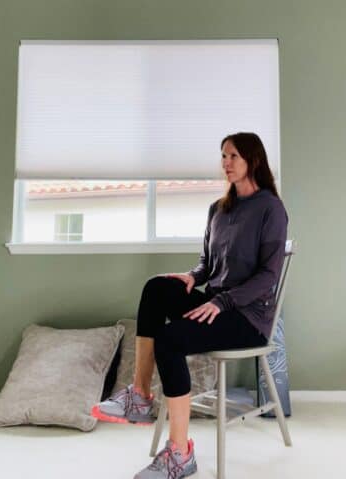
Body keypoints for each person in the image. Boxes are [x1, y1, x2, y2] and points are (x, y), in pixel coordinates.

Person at [91, 132, 289, 479]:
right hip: (217, 303)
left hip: (247, 317)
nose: (225, 163)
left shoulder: (271, 208)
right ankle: (139, 396)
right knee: (156, 287)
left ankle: (180, 453)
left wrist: (223, 300)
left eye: (233, 157)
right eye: (223, 156)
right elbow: (208, 263)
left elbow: (268, 275)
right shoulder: (219, 208)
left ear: (252, 160)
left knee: (170, 340)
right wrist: (192, 277)